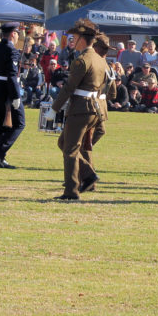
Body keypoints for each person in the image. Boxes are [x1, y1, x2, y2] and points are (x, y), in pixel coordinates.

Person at [50, 19, 109, 201]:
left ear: (83, 39)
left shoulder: (81, 61)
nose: (72, 40)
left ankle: (71, 191)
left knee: (69, 150)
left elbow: (68, 87)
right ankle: (88, 174)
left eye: (74, 37)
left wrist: (54, 109)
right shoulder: (100, 60)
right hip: (94, 109)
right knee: (64, 143)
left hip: (81, 108)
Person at [0, 22, 24, 169]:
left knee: (1, 123)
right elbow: (12, 75)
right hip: (7, 90)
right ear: (13, 34)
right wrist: (16, 96)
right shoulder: (12, 50)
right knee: (19, 123)